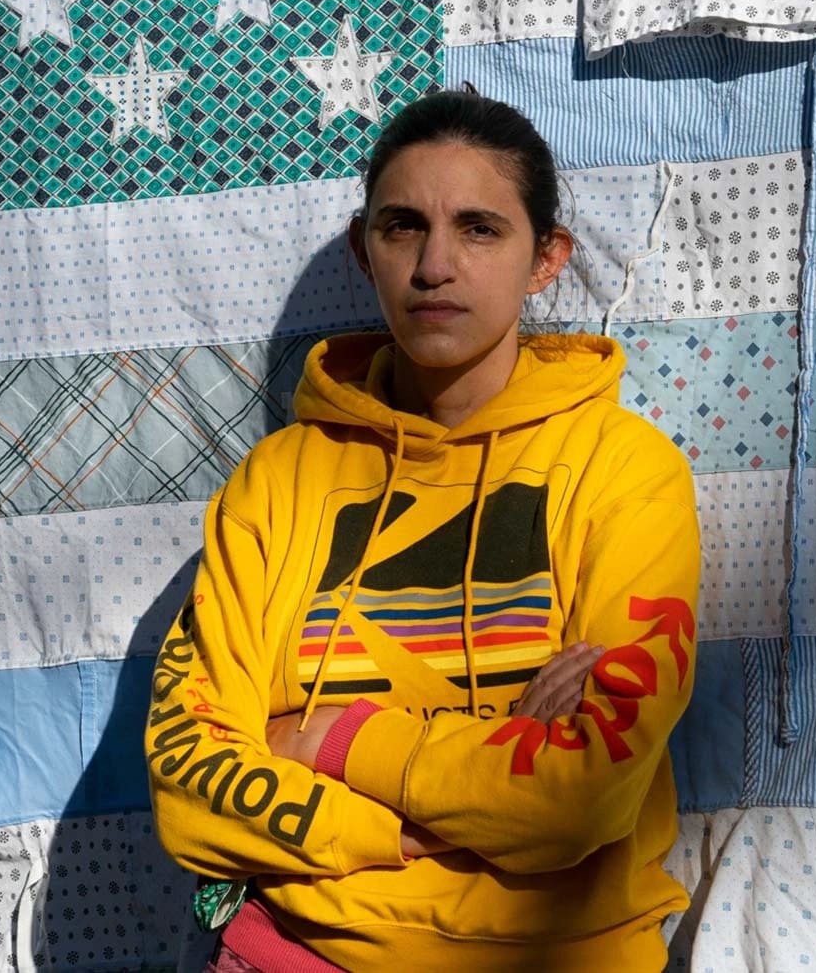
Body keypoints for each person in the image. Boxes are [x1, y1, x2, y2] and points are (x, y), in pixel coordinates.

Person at [145, 89, 702, 972]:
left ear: (545, 259)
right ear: (366, 251)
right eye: (404, 226)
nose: (435, 264)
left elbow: (581, 794)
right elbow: (190, 780)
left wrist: (323, 736)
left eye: (480, 228)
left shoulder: (624, 469)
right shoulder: (280, 481)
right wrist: (441, 806)